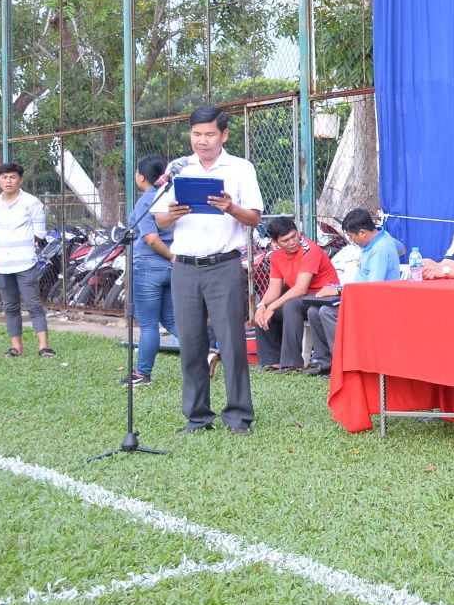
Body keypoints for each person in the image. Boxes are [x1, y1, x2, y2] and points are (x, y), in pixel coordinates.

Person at [155, 106, 264, 435]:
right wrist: (172, 214)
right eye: (196, 134)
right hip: (184, 267)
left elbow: (254, 217)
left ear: (224, 135)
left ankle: (238, 416)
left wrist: (229, 206)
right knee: (190, 342)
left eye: (209, 134)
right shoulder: (178, 168)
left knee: (231, 342)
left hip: (223, 266)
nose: (202, 141)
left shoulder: (240, 168)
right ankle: (198, 416)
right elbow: (158, 218)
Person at [303, 208, 402, 375]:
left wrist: (339, 290)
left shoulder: (381, 249)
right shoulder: (379, 237)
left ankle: (344, 365)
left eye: (351, 236)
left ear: (363, 232)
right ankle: (325, 362)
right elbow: (402, 248)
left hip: (375, 302)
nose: (351, 240)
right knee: (313, 311)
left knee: (327, 312)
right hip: (359, 297)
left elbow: (371, 287)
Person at [254, 216, 340, 373]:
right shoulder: (276, 256)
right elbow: (274, 289)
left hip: (322, 296)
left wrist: (271, 306)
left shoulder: (309, 250)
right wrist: (262, 306)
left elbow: (300, 288)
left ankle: (292, 363)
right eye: (286, 240)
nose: (292, 242)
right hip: (303, 297)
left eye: (294, 236)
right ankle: (271, 361)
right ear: (275, 243)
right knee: (261, 310)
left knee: (290, 304)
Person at [0, 162, 51, 358]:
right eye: (4, 177)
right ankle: (16, 347)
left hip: (25, 263)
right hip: (1, 264)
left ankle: (44, 347)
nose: (8, 181)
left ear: (20, 180)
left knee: (33, 305)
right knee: (10, 306)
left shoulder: (32, 203)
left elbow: (39, 234)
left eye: (12, 177)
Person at [125, 155, 178, 386]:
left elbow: (151, 238)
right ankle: (205, 355)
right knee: (171, 321)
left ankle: (142, 373)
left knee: (148, 325)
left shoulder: (148, 199)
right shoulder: (170, 197)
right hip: (168, 269)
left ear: (141, 176)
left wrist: (170, 256)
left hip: (148, 266)